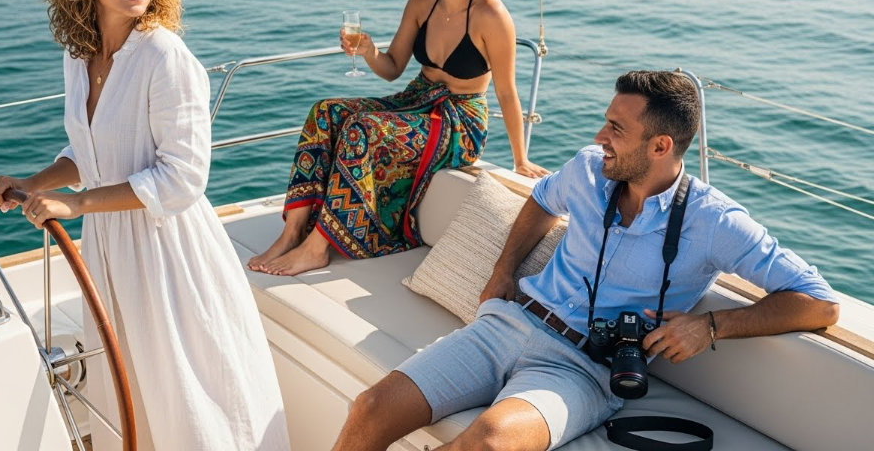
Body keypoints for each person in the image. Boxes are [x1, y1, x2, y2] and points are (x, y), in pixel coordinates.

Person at [331, 70, 840, 451]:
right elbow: (540, 201)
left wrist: (709, 326)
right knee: (370, 408)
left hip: (583, 370)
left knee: (487, 443)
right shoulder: (588, 169)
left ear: (660, 146)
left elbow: (820, 304)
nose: (601, 136)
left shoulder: (716, 222)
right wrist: (503, 271)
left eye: (617, 128)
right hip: (507, 324)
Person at [0, 0, 289, 451]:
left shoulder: (164, 57)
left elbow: (182, 179)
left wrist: (74, 206)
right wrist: (35, 183)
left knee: (184, 397)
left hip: (167, 252)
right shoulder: (79, 56)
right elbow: (92, 149)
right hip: (110, 246)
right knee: (132, 393)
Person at [248, 0, 549, 277]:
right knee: (325, 112)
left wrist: (521, 159)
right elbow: (392, 69)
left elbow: (506, 91)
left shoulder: (491, 15)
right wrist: (368, 50)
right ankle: (292, 232)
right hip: (414, 100)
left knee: (363, 129)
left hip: (458, 123)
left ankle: (317, 248)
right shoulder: (422, 1)